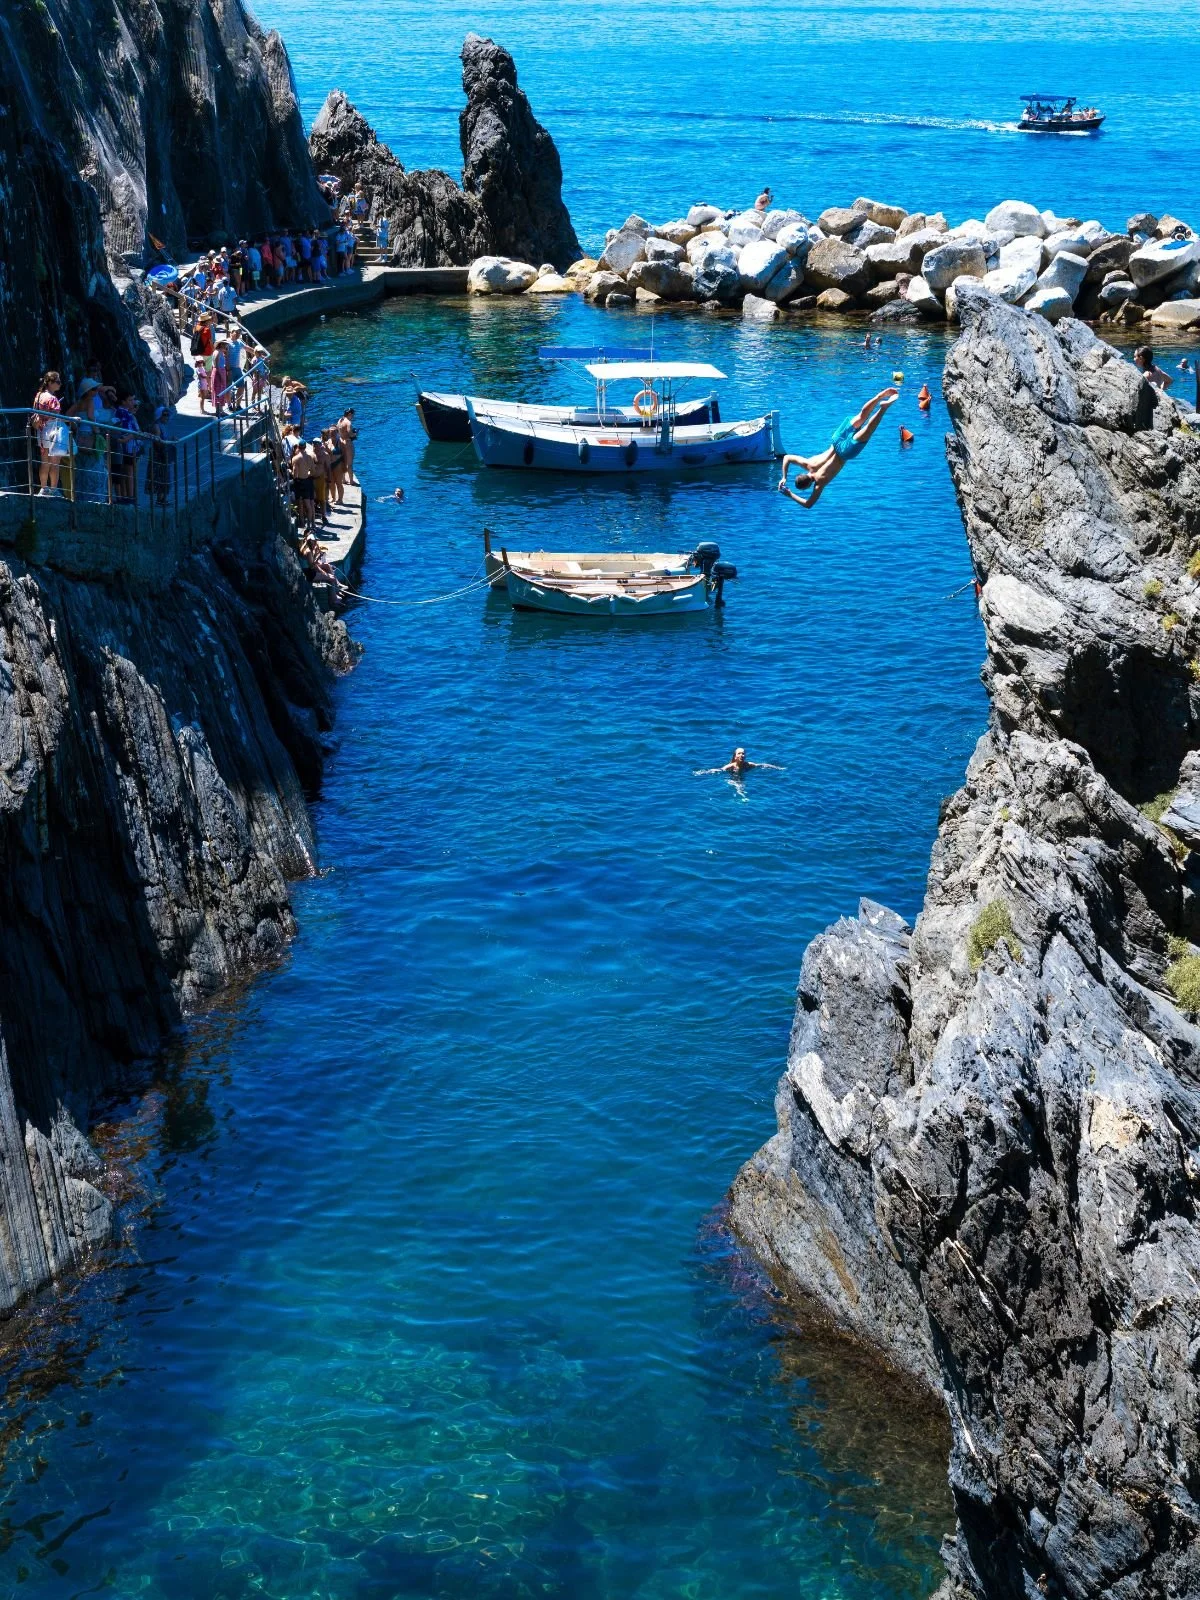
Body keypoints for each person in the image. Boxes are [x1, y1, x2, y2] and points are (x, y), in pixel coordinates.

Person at [778, 387, 899, 508]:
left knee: (869, 429)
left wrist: (790, 495)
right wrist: (784, 477)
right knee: (861, 416)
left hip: (845, 452)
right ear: (802, 474)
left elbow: (808, 504)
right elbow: (787, 458)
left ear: (807, 486)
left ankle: (883, 408)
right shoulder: (808, 463)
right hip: (836, 441)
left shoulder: (820, 482)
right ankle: (879, 397)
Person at [32, 371, 71, 495]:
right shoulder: (53, 399)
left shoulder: (39, 395)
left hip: (41, 431)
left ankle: (43, 488)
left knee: (45, 462)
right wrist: (72, 420)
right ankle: (53, 490)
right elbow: (57, 417)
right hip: (53, 432)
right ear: (50, 383)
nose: (60, 384)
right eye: (58, 382)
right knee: (55, 463)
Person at [695, 747, 784, 778]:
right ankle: (742, 796)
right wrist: (703, 772)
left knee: (741, 783)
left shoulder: (748, 764)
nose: (742, 755)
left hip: (742, 774)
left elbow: (762, 765)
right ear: (735, 756)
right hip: (731, 777)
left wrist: (778, 768)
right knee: (738, 784)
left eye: (743, 753)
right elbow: (718, 770)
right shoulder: (730, 766)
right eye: (739, 753)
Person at [290, 436, 317, 532]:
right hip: (307, 481)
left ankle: (302, 522)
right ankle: (310, 524)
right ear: (305, 447)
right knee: (309, 504)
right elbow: (313, 471)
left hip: (299, 482)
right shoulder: (310, 457)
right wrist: (307, 473)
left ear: (298, 447)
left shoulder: (295, 458)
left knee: (300, 503)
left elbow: (294, 473)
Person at [337, 407, 358, 483]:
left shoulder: (340, 420)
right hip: (348, 442)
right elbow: (350, 433)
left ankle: (343, 479)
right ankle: (351, 481)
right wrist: (355, 434)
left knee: (343, 461)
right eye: (353, 415)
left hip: (341, 441)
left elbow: (338, 429)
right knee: (349, 463)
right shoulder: (348, 422)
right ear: (349, 414)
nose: (353, 417)